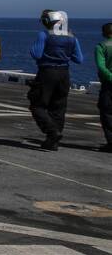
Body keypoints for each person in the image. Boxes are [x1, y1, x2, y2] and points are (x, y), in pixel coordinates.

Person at [27, 9, 83, 151]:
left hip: (47, 73)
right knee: (58, 108)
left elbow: (37, 54)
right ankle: (53, 141)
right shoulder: (72, 36)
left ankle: (51, 132)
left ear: (48, 21)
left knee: (37, 105)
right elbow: (79, 59)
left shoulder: (44, 34)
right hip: (64, 73)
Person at [96, 22, 112, 153]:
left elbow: (101, 67)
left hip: (109, 84)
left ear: (104, 33)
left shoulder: (101, 46)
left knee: (106, 112)